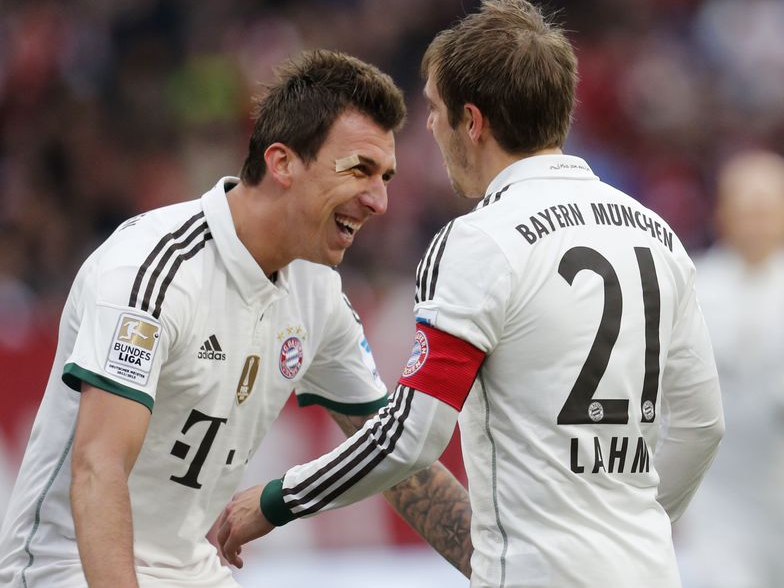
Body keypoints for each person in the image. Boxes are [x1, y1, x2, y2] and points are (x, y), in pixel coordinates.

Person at [216, 0, 725, 588]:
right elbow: (702, 425)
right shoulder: (657, 234)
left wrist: (278, 499)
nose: (429, 126)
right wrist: (634, 528)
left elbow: (412, 438)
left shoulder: (481, 240)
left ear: (473, 121)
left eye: (435, 109)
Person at [0, 50, 472, 587]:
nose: (379, 200)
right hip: (68, 569)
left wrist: (501, 571)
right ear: (282, 163)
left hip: (191, 569)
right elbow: (97, 468)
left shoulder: (316, 292)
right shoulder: (152, 270)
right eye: (359, 170)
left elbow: (394, 455)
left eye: (385, 176)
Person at [675, 151, 784, 588]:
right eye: (746, 210)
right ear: (723, 213)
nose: (756, 223)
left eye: (766, 210)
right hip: (718, 498)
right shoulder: (693, 285)